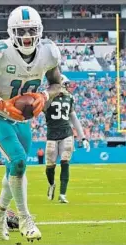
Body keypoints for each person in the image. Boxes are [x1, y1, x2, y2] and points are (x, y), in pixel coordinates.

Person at [0, 6, 65, 242]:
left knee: (14, 169)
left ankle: (0, 211)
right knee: (19, 162)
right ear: (11, 32)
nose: (26, 37)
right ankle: (25, 219)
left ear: (39, 31)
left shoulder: (48, 52)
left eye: (31, 30)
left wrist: (44, 95)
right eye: (21, 31)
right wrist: (0, 102)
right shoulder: (0, 52)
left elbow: (56, 84)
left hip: (22, 119)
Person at [44, 75, 90, 203]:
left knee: (65, 162)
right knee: (50, 165)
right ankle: (51, 184)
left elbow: (74, 118)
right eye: (65, 84)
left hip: (66, 133)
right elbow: (38, 109)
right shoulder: (47, 97)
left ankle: (63, 194)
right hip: (52, 133)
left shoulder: (69, 98)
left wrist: (83, 137)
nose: (67, 87)